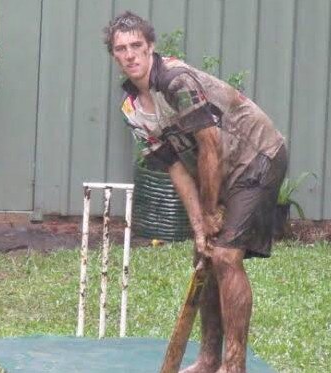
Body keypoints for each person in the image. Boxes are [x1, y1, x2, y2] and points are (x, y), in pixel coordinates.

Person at [104, 11, 287, 373]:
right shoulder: (132, 109)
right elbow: (176, 168)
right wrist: (200, 225)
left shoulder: (175, 81)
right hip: (218, 167)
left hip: (258, 155)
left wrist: (212, 212)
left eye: (137, 46)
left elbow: (210, 145)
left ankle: (233, 366)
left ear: (151, 46)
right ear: (114, 55)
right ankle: (207, 359)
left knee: (225, 257)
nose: (130, 55)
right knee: (204, 257)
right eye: (121, 49)